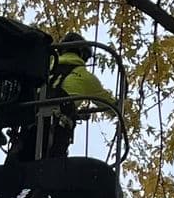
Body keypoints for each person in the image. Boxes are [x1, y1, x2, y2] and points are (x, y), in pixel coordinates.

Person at [8, 32, 116, 163]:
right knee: (52, 171)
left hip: (27, 130)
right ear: (83, 55)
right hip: (55, 135)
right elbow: (112, 107)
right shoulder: (85, 76)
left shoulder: (45, 68)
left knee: (15, 170)